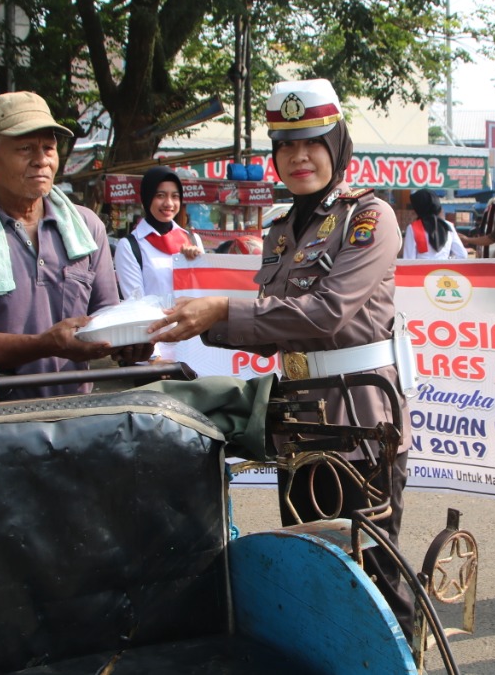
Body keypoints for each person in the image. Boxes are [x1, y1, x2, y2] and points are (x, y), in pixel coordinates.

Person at [148, 78, 415, 634]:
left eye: (313, 142)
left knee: (374, 574)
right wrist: (188, 326)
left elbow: (324, 313)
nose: (298, 157)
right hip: (296, 416)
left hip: (359, 416)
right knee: (311, 567)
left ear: (337, 145)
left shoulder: (369, 218)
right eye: (285, 145)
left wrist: (221, 310)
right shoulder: (280, 231)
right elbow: (274, 325)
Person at [0, 91, 146, 399]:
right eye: (25, 148)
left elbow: (104, 314)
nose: (41, 160)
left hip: (75, 409)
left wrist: (130, 341)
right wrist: (45, 344)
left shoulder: (85, 226)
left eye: (48, 147)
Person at [114, 166, 204, 361]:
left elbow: (204, 297)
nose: (169, 203)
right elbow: (136, 306)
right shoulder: (130, 245)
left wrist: (197, 264)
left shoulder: (193, 240)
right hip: (155, 352)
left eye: (175, 196)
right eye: (160, 195)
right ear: (147, 198)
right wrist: (154, 357)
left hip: (195, 351)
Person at [402, 188, 467, 260]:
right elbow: (462, 255)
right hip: (444, 270)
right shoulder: (448, 226)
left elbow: (408, 260)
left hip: (422, 271)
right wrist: (447, 260)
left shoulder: (413, 228)